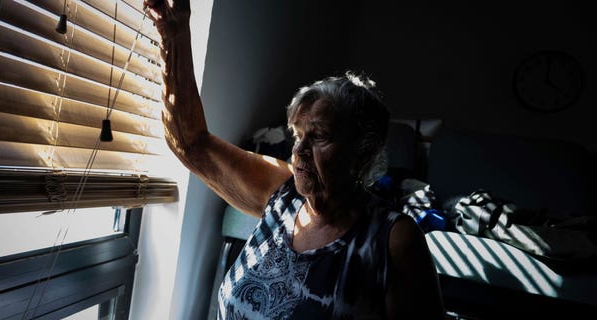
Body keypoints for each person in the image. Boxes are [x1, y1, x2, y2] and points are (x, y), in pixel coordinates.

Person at [144, 0, 445, 319]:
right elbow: (190, 144)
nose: (299, 150)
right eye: (298, 135)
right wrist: (172, 31)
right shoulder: (284, 194)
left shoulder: (394, 239)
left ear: (362, 150)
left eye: (319, 136)